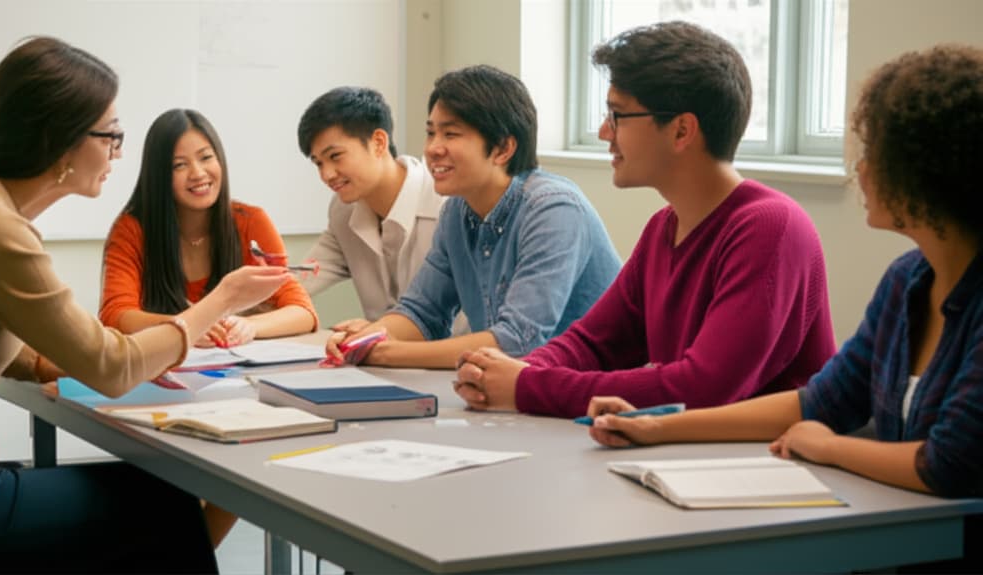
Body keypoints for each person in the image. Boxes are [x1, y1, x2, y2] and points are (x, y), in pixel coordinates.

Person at [585, 45, 983, 566]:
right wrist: (655, 425)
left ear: (929, 170)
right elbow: (816, 402)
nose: (860, 170)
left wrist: (828, 446)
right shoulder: (906, 282)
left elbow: (949, 464)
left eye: (875, 153)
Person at [0, 37, 291, 571]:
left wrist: (51, 361)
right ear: (59, 141)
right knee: (165, 502)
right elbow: (113, 365)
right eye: (110, 135)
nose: (118, 151)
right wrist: (223, 299)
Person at [454, 22, 835, 417]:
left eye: (617, 115)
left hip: (767, 468)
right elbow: (593, 342)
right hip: (683, 461)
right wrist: (515, 371)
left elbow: (703, 387)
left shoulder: (769, 227)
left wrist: (528, 386)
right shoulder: (662, 229)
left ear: (682, 130)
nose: (605, 132)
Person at [326, 65, 621, 369]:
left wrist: (384, 352)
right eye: (431, 133)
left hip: (596, 400)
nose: (432, 149)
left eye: (450, 134)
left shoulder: (554, 210)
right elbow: (421, 311)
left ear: (503, 148)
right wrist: (367, 338)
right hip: (522, 394)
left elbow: (517, 342)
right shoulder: (457, 209)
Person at [101, 108, 318, 347]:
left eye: (206, 158)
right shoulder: (132, 229)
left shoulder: (251, 222)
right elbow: (116, 316)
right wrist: (184, 328)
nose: (198, 173)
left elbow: (302, 311)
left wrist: (249, 326)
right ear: (159, 175)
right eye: (179, 165)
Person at [297, 87, 448, 330]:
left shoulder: (446, 204)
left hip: (451, 361)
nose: (327, 175)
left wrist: (376, 332)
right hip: (380, 360)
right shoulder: (342, 211)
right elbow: (303, 278)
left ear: (378, 142)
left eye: (335, 156)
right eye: (318, 163)